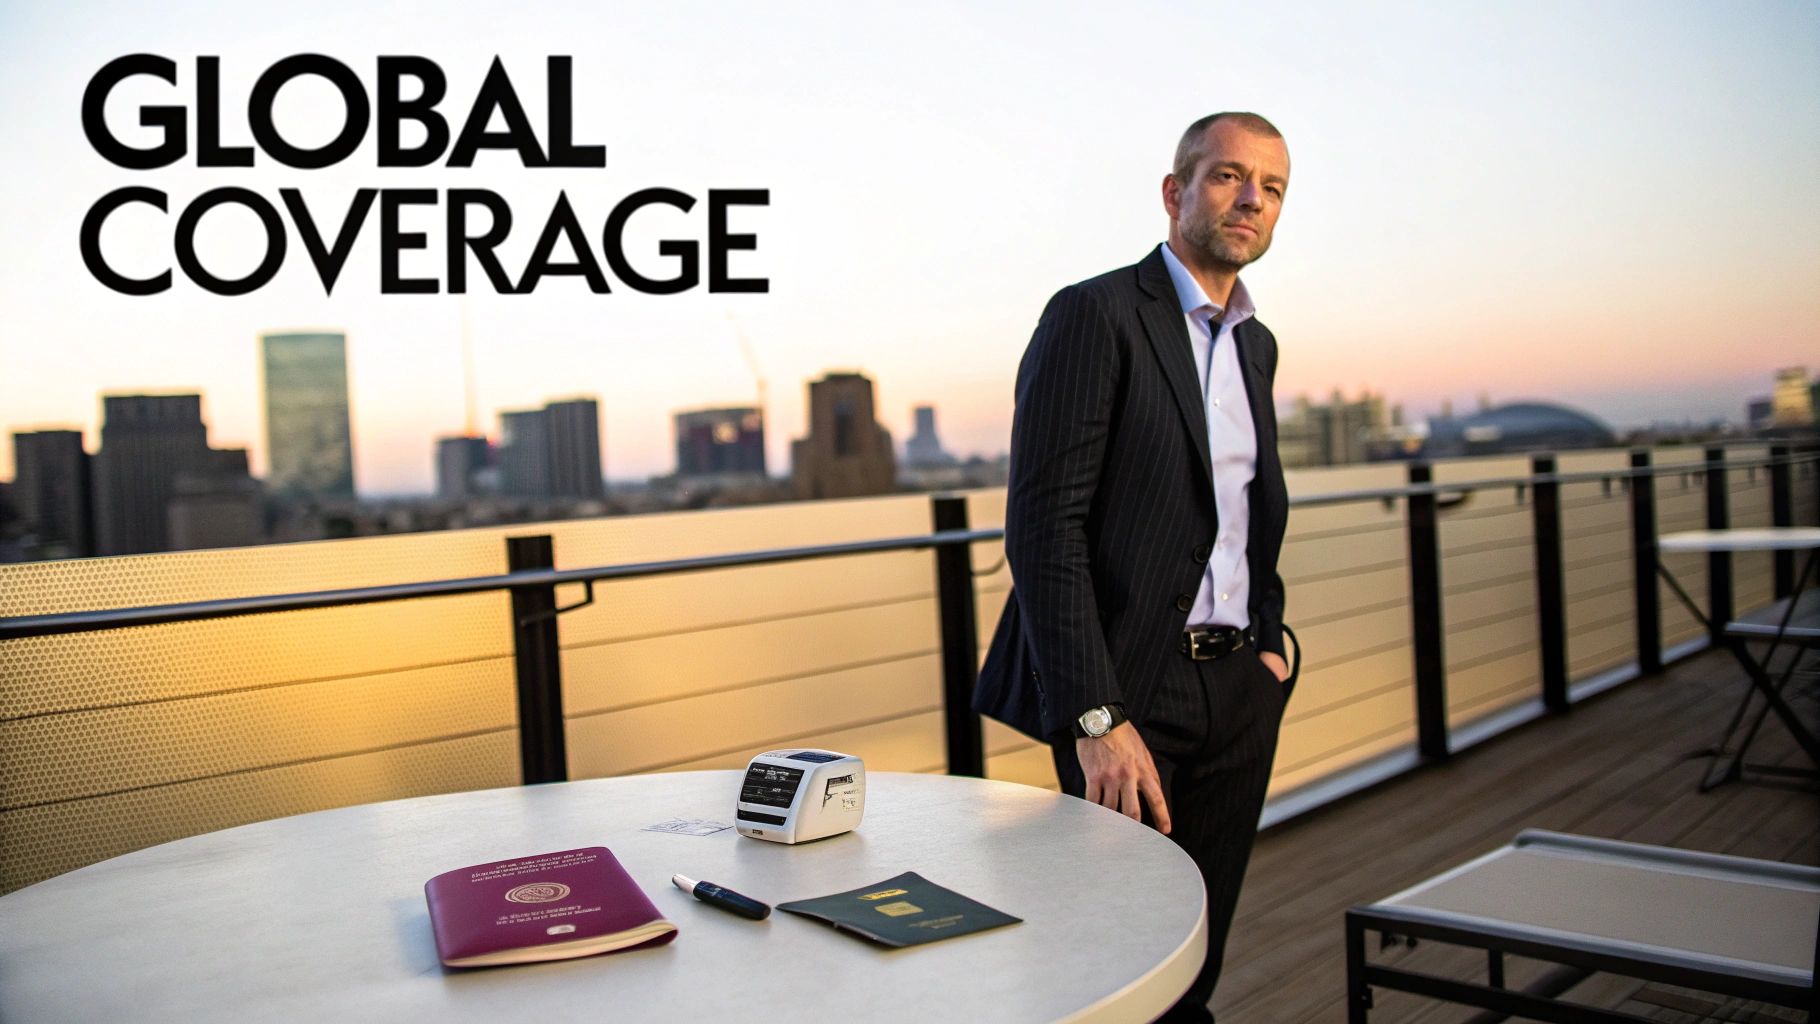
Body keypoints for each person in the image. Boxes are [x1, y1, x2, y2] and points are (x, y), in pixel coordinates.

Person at [974, 111, 1293, 1023]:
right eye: (1230, 176)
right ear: (1176, 192)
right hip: (1126, 693)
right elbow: (1043, 530)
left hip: (1238, 687)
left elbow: (1241, 510)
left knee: (1199, 956)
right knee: (1119, 962)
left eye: (1271, 188)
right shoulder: (1096, 314)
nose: (1251, 201)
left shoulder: (1255, 344)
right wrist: (1096, 715)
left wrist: (1270, 645)